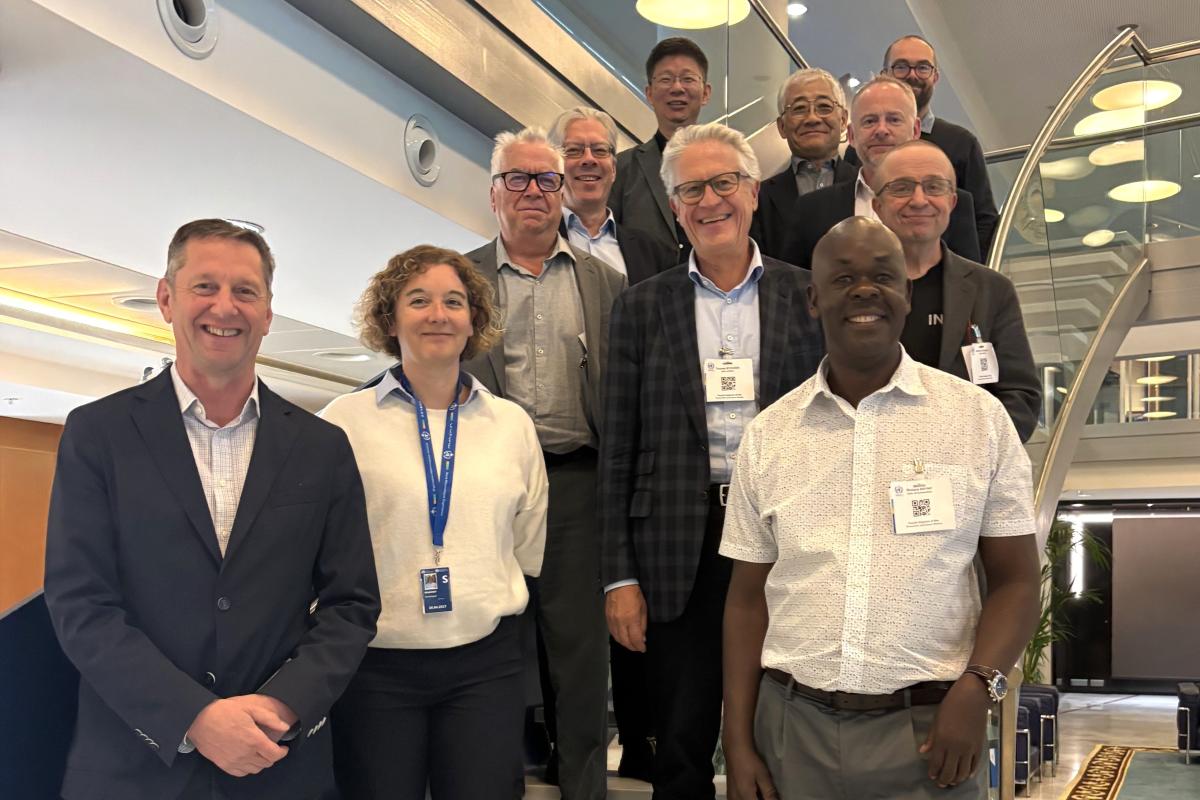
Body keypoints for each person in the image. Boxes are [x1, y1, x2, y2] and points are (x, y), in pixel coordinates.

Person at [43, 219, 381, 800]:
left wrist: (282, 707)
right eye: (205, 286)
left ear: (268, 313)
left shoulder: (321, 447)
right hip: (135, 768)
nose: (225, 307)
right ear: (166, 298)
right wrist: (194, 717)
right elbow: (81, 602)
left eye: (245, 291)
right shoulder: (97, 433)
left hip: (278, 763)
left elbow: (351, 604)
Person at [721, 217, 1040, 800]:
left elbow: (1017, 581)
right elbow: (746, 602)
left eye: (882, 277)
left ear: (907, 295)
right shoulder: (768, 435)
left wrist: (979, 687)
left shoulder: (978, 420)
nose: (864, 290)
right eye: (843, 279)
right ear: (813, 300)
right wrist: (737, 741)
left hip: (934, 737)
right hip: (792, 734)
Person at [599, 122, 823, 799]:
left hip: (784, 540)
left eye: (724, 182)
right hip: (675, 550)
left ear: (752, 192)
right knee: (680, 743)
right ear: (674, 207)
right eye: (691, 189)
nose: (710, 201)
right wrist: (619, 578)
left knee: (778, 738)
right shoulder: (640, 307)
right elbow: (618, 447)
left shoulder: (809, 296)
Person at [321, 245, 548, 799]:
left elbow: (527, 539)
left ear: (473, 320)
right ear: (389, 319)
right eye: (418, 300)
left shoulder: (511, 425)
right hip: (375, 664)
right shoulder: (342, 423)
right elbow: (318, 545)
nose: (437, 315)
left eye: (454, 301)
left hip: (485, 662)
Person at [470, 127, 624, 799]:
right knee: (492, 641)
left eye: (546, 179)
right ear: (493, 192)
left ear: (563, 192)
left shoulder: (605, 283)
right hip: (484, 489)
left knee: (580, 653)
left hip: (577, 485)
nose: (532, 190)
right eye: (517, 178)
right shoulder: (458, 279)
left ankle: (584, 786)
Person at [872, 140, 1040, 441]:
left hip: (965, 462)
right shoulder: (849, 292)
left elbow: (1021, 400)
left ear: (951, 201)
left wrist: (957, 450)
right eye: (901, 188)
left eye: (934, 187)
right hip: (874, 458)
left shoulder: (991, 291)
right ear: (877, 206)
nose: (919, 200)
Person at [779, 76, 981, 269]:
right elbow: (793, 287)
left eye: (894, 120)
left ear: (915, 130)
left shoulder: (953, 205)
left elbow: (967, 284)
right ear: (851, 135)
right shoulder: (811, 209)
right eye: (869, 121)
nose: (881, 130)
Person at [845, 35, 999, 258]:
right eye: (901, 66)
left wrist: (962, 272)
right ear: (884, 74)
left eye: (923, 67)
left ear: (935, 76)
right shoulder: (860, 148)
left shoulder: (962, 143)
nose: (912, 75)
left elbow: (983, 220)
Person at [549, 106, 680, 285]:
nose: (589, 159)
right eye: (573, 150)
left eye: (600, 150)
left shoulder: (654, 254)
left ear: (613, 169)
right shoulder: (531, 242)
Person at [610, 37, 712, 261]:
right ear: (649, 93)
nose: (677, 88)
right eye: (666, 79)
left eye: (687, 79)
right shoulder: (622, 170)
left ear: (705, 93)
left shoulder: (725, 166)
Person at [751, 67, 857, 259]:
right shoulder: (759, 199)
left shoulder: (866, 186)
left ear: (843, 120)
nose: (812, 118)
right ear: (782, 126)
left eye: (824, 107)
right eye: (799, 108)